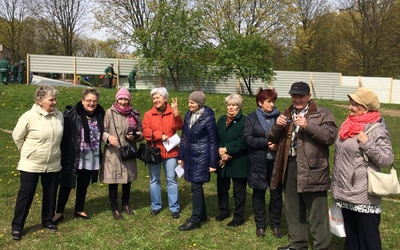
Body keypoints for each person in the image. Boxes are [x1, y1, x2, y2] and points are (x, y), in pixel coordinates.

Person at [268, 82, 337, 250]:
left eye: (300, 96)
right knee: (293, 209)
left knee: (316, 212)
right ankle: (297, 245)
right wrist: (277, 125)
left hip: (313, 169)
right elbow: (271, 138)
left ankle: (322, 246)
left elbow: (329, 138)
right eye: (294, 96)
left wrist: (308, 126)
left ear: (309, 96)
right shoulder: (287, 112)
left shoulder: (322, 114)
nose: (297, 99)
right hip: (290, 165)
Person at [331, 87, 393, 250]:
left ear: (365, 108)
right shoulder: (348, 125)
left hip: (364, 195)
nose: (349, 107)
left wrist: (368, 144)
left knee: (368, 241)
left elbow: (387, 159)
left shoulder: (376, 128)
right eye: (350, 103)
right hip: (345, 191)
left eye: (354, 104)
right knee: (351, 239)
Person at [11, 85, 64, 240]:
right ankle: (17, 226)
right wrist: (29, 152)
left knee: (50, 193)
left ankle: (47, 221)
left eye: (55, 99)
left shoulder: (59, 115)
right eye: (51, 99)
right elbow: (17, 136)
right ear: (40, 101)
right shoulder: (29, 116)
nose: (54, 102)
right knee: (26, 194)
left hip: (53, 163)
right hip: (31, 164)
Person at [52, 87, 105, 224]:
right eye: (88, 100)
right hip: (74, 155)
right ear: (82, 101)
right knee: (66, 184)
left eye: (94, 101)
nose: (91, 103)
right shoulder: (72, 114)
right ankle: (59, 212)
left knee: (83, 184)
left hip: (91, 156)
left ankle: (79, 209)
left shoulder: (100, 114)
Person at [243, 87, 283, 238]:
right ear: (260, 102)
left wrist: (278, 145)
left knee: (276, 194)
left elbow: (286, 137)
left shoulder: (279, 117)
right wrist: (266, 141)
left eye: (273, 101)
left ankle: (275, 224)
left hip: (275, 162)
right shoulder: (252, 118)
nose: (272, 104)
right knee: (259, 194)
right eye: (268, 101)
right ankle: (260, 225)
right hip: (258, 162)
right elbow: (248, 138)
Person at [178, 91, 218, 231]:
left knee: (196, 186)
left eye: (192, 102)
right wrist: (181, 156)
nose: (189, 105)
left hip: (202, 156)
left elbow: (213, 141)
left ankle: (195, 220)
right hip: (189, 155)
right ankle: (202, 215)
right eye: (189, 102)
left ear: (200, 104)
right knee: (196, 186)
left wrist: (213, 163)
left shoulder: (208, 118)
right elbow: (183, 137)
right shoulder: (188, 115)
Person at [100, 88, 143, 220]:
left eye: (126, 99)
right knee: (113, 180)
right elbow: (102, 130)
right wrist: (108, 137)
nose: (123, 102)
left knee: (127, 180)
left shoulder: (134, 114)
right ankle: (114, 207)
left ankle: (125, 203)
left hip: (128, 152)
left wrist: (135, 137)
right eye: (121, 99)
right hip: (113, 153)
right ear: (117, 99)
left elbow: (141, 133)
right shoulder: (109, 113)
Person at [142, 87, 183, 219]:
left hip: (171, 151)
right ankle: (156, 206)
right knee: (154, 180)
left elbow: (179, 127)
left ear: (165, 98)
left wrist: (176, 113)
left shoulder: (172, 113)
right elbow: (146, 132)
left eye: (158, 97)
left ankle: (174, 208)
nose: (155, 100)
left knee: (171, 179)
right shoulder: (149, 114)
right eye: (154, 98)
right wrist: (160, 135)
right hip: (154, 151)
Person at [215, 94, 248, 227]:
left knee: (238, 191)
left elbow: (243, 140)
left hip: (238, 160)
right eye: (229, 105)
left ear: (239, 107)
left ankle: (238, 216)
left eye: (234, 105)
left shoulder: (245, 121)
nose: (231, 108)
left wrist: (227, 150)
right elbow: (215, 137)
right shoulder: (222, 120)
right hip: (222, 159)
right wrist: (220, 151)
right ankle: (224, 211)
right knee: (222, 187)